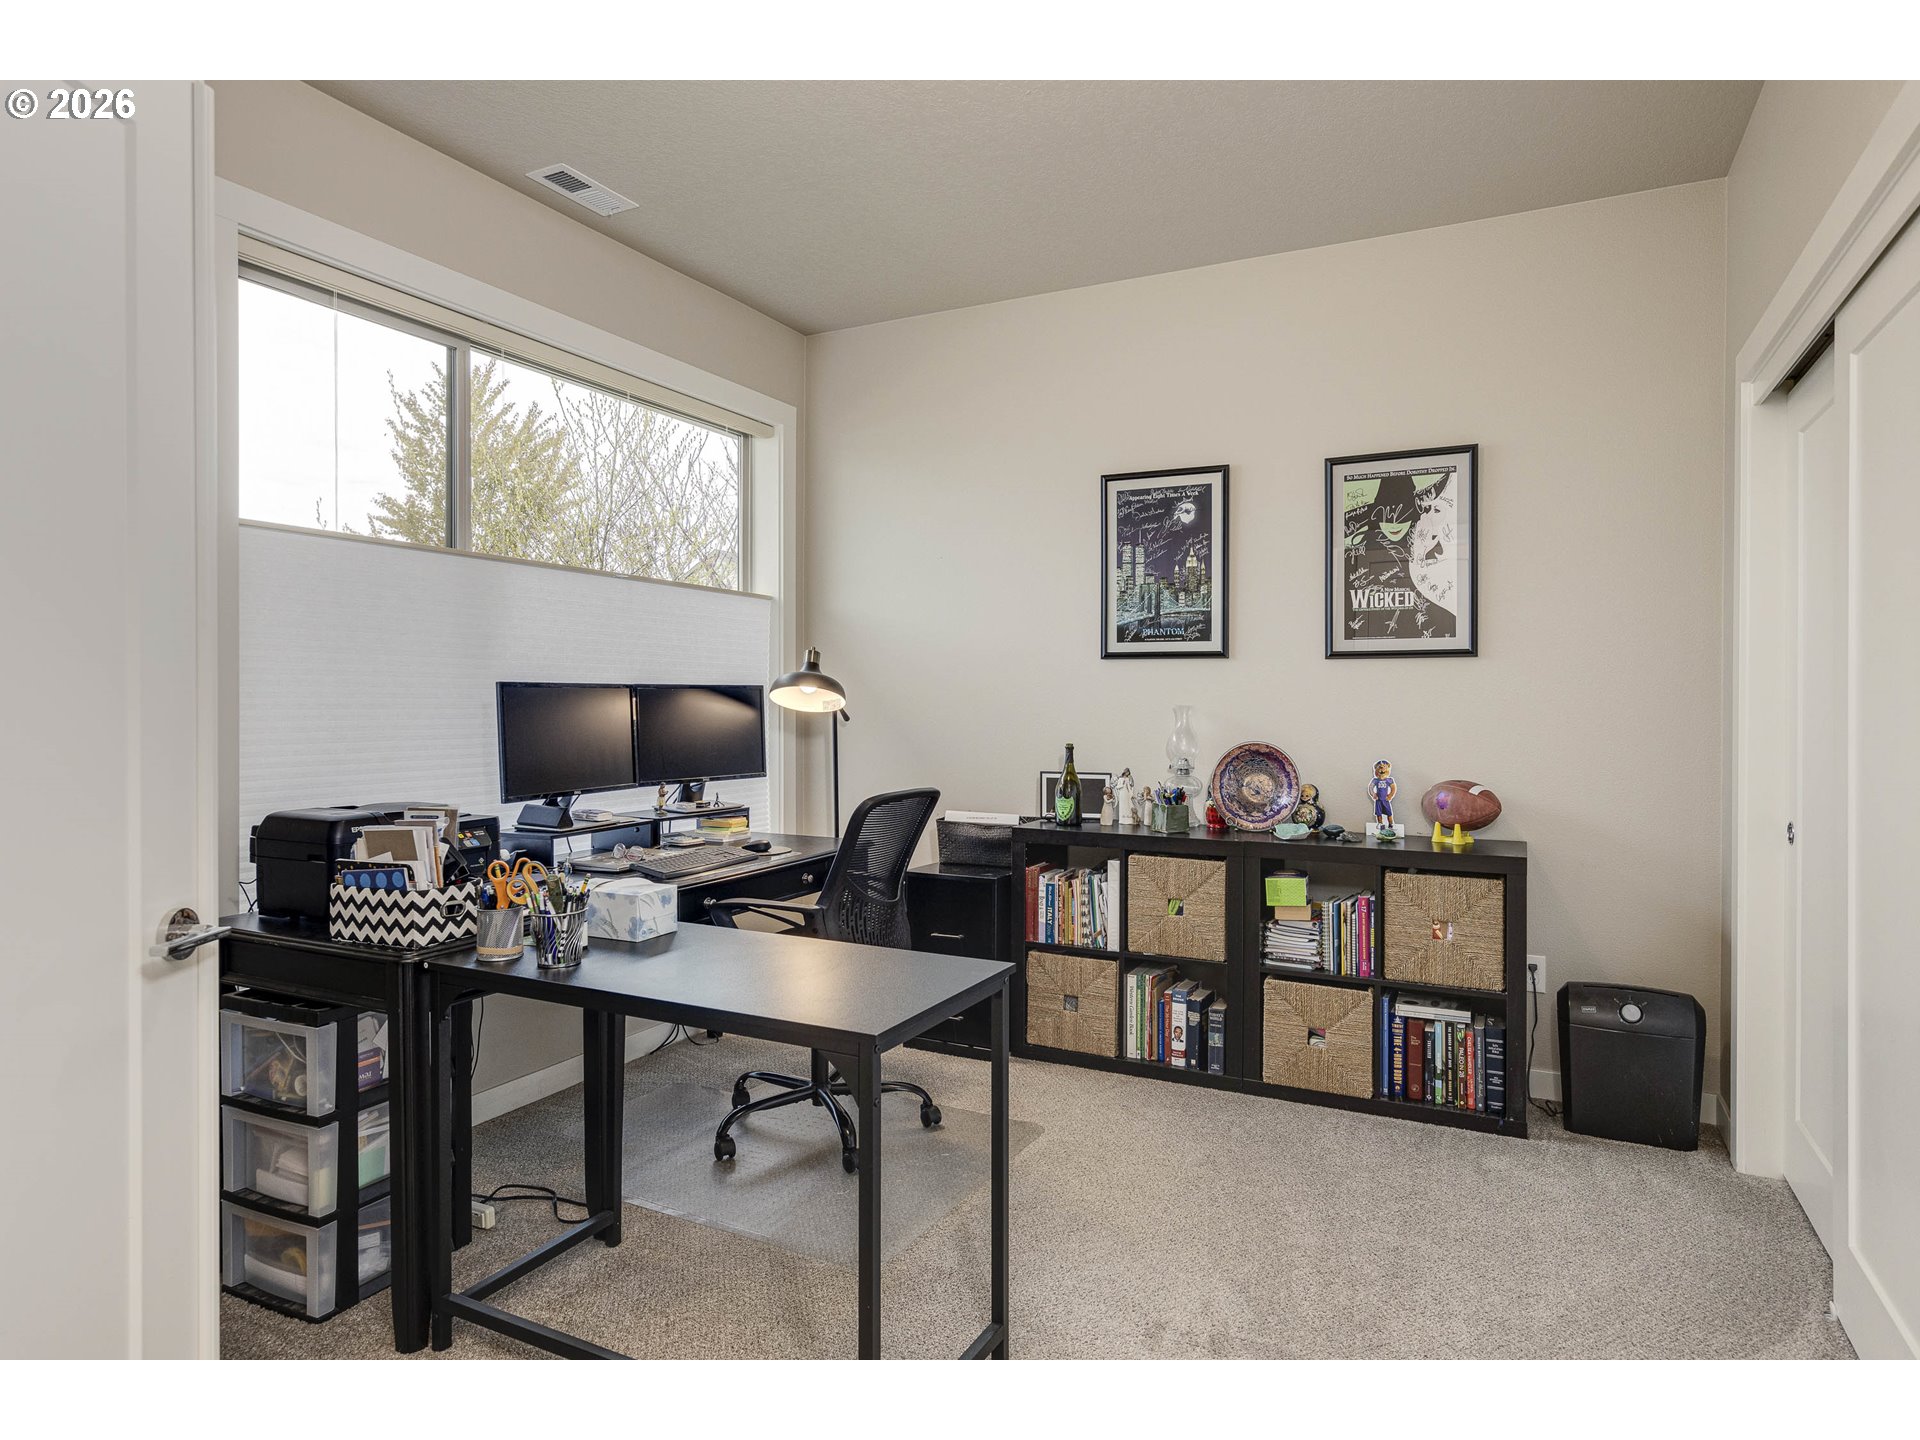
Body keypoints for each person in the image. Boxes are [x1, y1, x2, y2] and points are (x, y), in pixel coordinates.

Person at [1368, 759, 1397, 835]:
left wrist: (1390, 795)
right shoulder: (1375, 780)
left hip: (1386, 800)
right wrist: (1373, 794)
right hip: (1378, 800)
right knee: (1378, 813)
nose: (1382, 770)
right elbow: (1370, 787)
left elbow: (1393, 788)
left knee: (1389, 813)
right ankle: (1380, 824)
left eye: (1384, 767)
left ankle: (1391, 824)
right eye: (1380, 767)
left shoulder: (1389, 780)